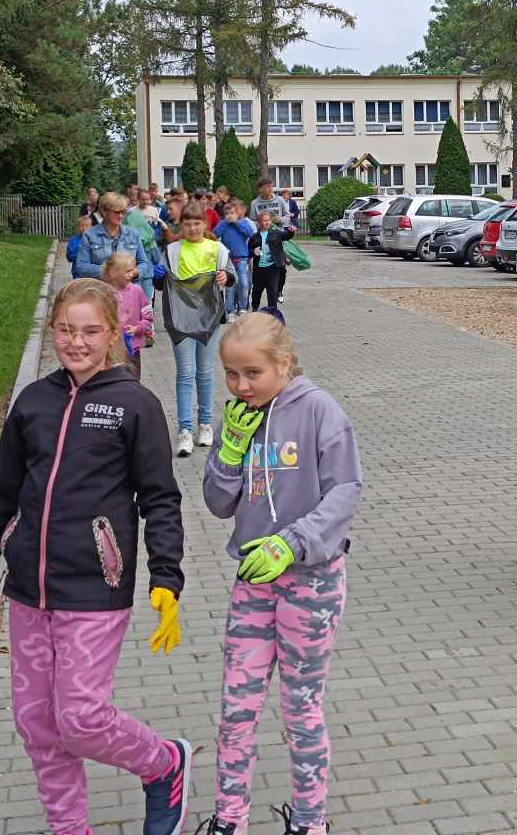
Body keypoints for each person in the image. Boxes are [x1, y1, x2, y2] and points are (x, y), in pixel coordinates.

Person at [0, 278, 194, 835]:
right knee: (38, 724)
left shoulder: (135, 405)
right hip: (28, 592)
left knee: (79, 718)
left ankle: (163, 764)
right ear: (52, 329)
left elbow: (160, 498)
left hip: (95, 588)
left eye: (90, 331)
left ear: (113, 333)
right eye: (65, 330)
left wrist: (166, 578)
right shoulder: (34, 401)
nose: (76, 342)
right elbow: (1, 493)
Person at [202, 313, 362, 835]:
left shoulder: (319, 411)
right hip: (254, 584)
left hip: (311, 583)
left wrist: (291, 541)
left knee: (300, 708)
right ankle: (229, 817)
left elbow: (345, 492)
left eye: (253, 373)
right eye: (231, 374)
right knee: (237, 707)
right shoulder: (238, 418)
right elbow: (218, 503)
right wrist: (228, 453)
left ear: (284, 363)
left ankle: (311, 821)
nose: (241, 386)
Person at [163, 201, 235, 455]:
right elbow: (161, 281)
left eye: (197, 223)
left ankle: (205, 424)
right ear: (180, 225)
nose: (192, 228)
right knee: (185, 373)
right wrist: (158, 275)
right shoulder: (172, 250)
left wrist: (227, 276)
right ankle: (184, 430)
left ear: (205, 224)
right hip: (181, 319)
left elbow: (232, 274)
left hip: (209, 318)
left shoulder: (217, 249)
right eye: (187, 224)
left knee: (205, 372)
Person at [74, 193, 155, 302]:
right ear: (104, 211)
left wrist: (135, 272)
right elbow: (81, 266)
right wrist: (110, 272)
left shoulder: (133, 234)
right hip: (100, 295)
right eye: (117, 212)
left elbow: (144, 263)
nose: (121, 216)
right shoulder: (90, 235)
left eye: (123, 212)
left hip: (128, 295)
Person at [103, 251, 155, 379]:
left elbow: (148, 318)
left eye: (133, 270)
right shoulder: (103, 292)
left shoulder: (137, 291)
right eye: (128, 271)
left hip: (132, 349)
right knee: (111, 382)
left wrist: (137, 328)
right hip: (109, 349)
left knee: (132, 381)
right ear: (113, 272)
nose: (132, 274)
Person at [213, 199, 257, 317]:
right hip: (228, 259)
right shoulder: (223, 223)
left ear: (237, 213)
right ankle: (230, 309)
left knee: (244, 283)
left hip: (242, 258)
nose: (229, 216)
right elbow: (215, 234)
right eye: (227, 213)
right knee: (230, 285)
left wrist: (237, 222)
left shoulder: (243, 222)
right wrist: (224, 223)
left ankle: (242, 306)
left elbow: (250, 233)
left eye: (232, 213)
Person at [251, 208, 294, 315]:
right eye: (264, 221)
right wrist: (253, 252)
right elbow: (249, 250)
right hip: (259, 269)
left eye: (269, 220)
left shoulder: (276, 233)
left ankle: (273, 311)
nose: (267, 223)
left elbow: (286, 236)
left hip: (273, 267)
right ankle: (255, 308)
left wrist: (290, 231)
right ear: (259, 222)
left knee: (273, 290)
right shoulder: (254, 237)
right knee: (257, 290)